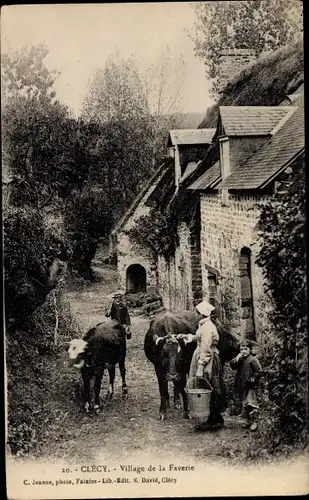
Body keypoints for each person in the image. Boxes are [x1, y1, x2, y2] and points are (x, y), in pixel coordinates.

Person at [186, 300, 227, 431]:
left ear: (201, 314)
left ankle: (214, 418)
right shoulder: (205, 325)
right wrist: (191, 338)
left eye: (197, 313)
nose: (195, 315)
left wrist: (200, 366)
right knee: (208, 386)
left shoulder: (207, 327)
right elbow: (202, 340)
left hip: (208, 360)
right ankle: (212, 417)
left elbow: (206, 348)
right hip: (204, 356)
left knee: (209, 386)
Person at [230, 339, 262, 431]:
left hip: (251, 385)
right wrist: (237, 357)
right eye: (241, 349)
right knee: (245, 403)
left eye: (246, 349)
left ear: (250, 350)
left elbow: (259, 371)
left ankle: (255, 421)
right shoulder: (240, 359)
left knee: (252, 403)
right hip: (242, 384)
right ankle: (249, 420)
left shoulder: (252, 359)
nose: (243, 351)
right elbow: (233, 365)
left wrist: (253, 377)